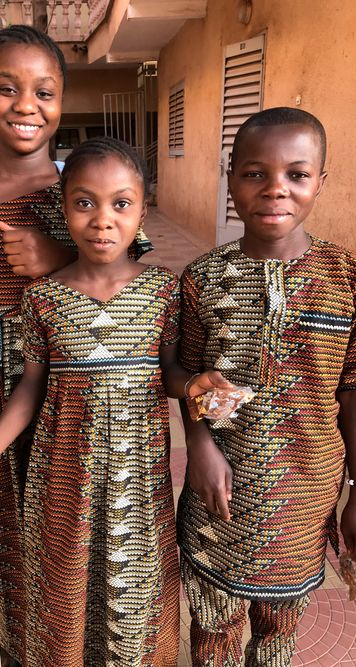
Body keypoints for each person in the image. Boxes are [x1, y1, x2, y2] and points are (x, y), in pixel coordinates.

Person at [0, 136, 231, 666]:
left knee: (135, 594)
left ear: (143, 209)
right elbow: (30, 387)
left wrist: (193, 386)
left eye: (121, 203)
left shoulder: (163, 290)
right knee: (65, 586)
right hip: (62, 475)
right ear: (62, 209)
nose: (102, 219)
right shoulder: (43, 298)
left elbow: (169, 371)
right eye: (84, 203)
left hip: (139, 481)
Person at [0, 26, 151, 665]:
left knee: (75, 524)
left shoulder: (79, 184)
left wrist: (56, 256)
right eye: (7, 89)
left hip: (75, 382)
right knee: (10, 532)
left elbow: (131, 269)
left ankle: (83, 640)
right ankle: (34, 648)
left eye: (44, 91)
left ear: (62, 99)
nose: (26, 105)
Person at [177, 107, 356, 667]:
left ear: (321, 182)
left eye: (297, 175)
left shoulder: (345, 279)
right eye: (256, 173)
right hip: (219, 490)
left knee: (279, 631)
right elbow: (186, 376)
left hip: (306, 493)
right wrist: (201, 448)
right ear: (231, 180)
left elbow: (351, 391)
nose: (276, 189)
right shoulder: (202, 277)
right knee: (214, 629)